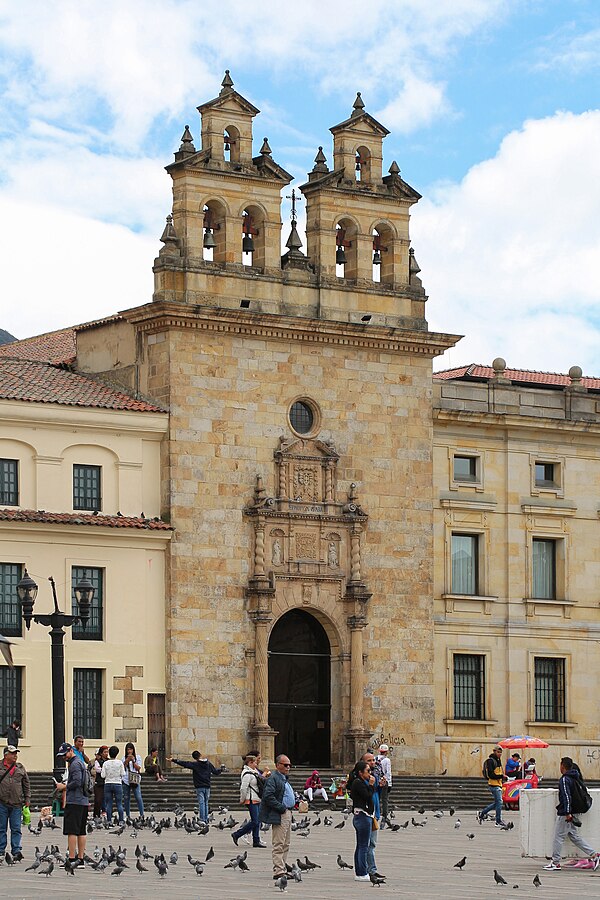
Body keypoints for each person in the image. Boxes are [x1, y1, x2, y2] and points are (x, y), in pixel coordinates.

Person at [543, 757, 599, 871]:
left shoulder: (564, 779)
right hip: (575, 811)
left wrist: (567, 813)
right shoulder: (575, 777)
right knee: (574, 836)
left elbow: (566, 797)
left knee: (558, 837)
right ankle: (594, 855)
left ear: (562, 766)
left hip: (567, 813)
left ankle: (556, 862)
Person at [259, 753, 295, 881]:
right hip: (280, 813)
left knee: (286, 843)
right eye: (285, 765)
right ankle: (278, 870)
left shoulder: (283, 778)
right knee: (279, 843)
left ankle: (282, 868)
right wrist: (281, 808)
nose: (288, 767)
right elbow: (268, 796)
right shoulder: (274, 778)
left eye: (289, 765)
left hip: (287, 812)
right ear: (278, 765)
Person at [167, 749, 223, 822]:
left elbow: (185, 763)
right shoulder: (208, 764)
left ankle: (202, 819)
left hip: (199, 786)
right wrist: (221, 770)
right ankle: (206, 819)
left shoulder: (195, 764)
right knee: (206, 803)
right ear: (200, 755)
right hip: (207, 785)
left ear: (194, 758)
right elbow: (215, 772)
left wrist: (173, 760)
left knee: (201, 803)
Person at [57, 741, 88, 868]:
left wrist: (64, 787)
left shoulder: (74, 764)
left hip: (75, 801)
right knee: (81, 831)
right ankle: (80, 859)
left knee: (72, 831)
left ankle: (71, 858)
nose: (64, 757)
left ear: (71, 751)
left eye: (65, 754)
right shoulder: (80, 762)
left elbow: (77, 782)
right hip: (83, 801)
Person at [0, 745, 30, 860]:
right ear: (5, 755)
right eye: (12, 753)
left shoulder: (20, 767)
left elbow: (26, 784)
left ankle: (16, 850)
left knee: (16, 828)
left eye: (16, 753)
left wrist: (27, 799)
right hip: (2, 803)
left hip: (17, 804)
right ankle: (1, 849)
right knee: (1, 828)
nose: (15, 756)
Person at [231, 753, 267, 848]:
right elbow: (243, 788)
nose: (256, 764)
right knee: (255, 821)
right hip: (250, 799)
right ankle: (237, 834)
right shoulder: (247, 773)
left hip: (256, 798)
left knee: (258, 820)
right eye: (255, 762)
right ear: (250, 763)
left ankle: (256, 840)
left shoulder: (253, 771)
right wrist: (242, 799)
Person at [350, 759, 374, 882]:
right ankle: (362, 872)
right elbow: (368, 797)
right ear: (360, 772)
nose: (370, 773)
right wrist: (370, 785)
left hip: (360, 816)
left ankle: (359, 872)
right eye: (368, 771)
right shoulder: (359, 783)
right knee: (364, 846)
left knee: (360, 845)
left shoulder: (358, 782)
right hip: (363, 817)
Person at [478, 746, 506, 826]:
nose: (499, 754)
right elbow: (491, 775)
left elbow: (498, 773)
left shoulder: (498, 760)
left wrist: (502, 777)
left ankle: (482, 813)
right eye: (498, 752)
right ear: (494, 751)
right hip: (493, 785)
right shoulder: (490, 761)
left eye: (500, 752)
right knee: (499, 802)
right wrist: (501, 776)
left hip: (498, 784)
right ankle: (498, 820)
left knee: (497, 803)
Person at [101, 745, 125, 824]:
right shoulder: (120, 763)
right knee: (119, 803)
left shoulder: (105, 763)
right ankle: (121, 820)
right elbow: (123, 774)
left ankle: (109, 821)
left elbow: (103, 775)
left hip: (108, 783)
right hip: (117, 783)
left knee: (109, 803)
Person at [122, 741, 144, 818]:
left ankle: (142, 814)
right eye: (128, 750)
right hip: (126, 780)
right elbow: (122, 768)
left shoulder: (138, 757)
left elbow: (138, 768)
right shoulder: (123, 758)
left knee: (138, 797)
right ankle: (128, 815)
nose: (129, 751)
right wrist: (127, 760)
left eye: (131, 749)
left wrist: (133, 761)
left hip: (135, 779)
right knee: (126, 798)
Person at [375, 744, 392, 823]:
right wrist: (389, 783)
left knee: (377, 798)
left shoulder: (375, 759)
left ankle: (376, 813)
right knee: (384, 799)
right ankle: (384, 815)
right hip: (384, 781)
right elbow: (388, 772)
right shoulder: (387, 760)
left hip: (377, 781)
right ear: (386, 752)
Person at [93, 746, 109, 817]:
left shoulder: (109, 761)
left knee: (108, 799)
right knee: (98, 800)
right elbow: (98, 770)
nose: (106, 754)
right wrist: (106, 769)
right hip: (99, 783)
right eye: (104, 752)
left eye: (107, 752)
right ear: (101, 753)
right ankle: (96, 815)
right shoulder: (98, 761)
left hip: (107, 782)